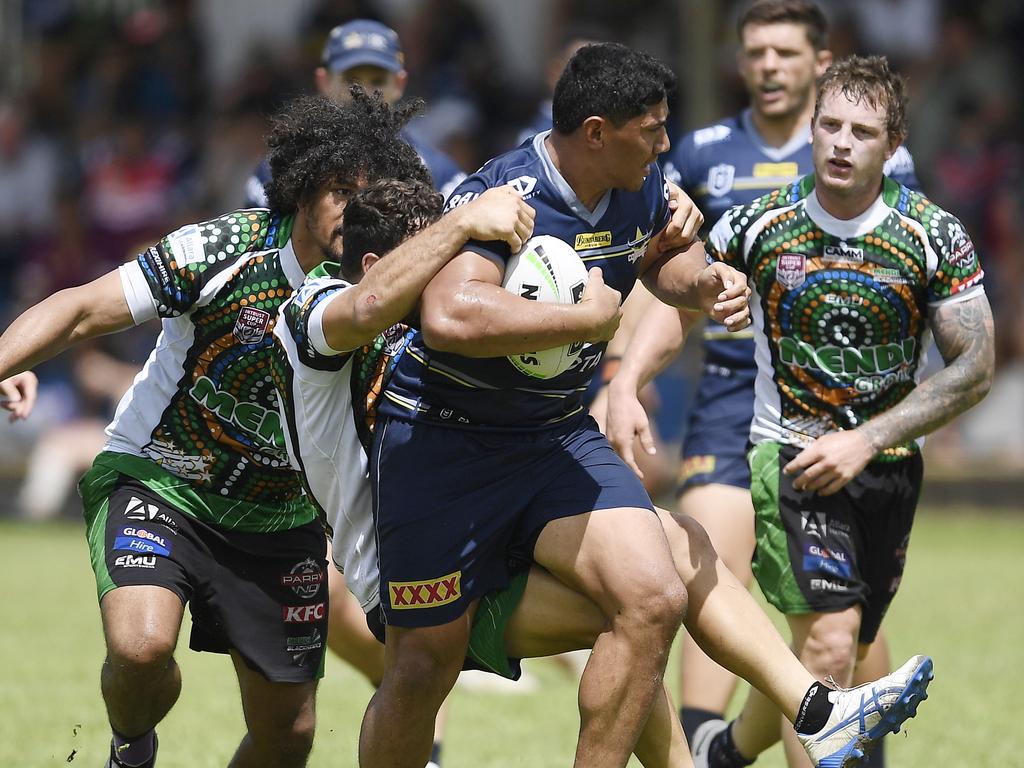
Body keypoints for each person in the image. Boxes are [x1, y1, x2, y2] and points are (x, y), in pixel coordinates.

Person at [280, 176, 935, 768]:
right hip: (404, 563)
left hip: (487, 522)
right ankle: (807, 718)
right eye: (441, 264)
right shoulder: (323, 305)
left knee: (662, 566)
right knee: (626, 605)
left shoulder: (437, 322)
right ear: (376, 266)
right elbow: (370, 310)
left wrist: (653, 217)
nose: (460, 280)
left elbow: (550, 244)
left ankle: (818, 712)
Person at [0, 91, 428, 768]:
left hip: (281, 519)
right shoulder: (224, 248)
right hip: (159, 482)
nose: (353, 209)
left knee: (286, 737)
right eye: (339, 189)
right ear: (301, 188)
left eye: (368, 195)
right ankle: (131, 747)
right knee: (139, 648)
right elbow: (83, 309)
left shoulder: (385, 297)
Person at [609, 54, 992, 768]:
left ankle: (727, 749)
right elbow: (681, 305)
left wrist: (868, 440)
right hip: (789, 457)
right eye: (831, 126)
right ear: (812, 131)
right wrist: (627, 379)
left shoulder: (932, 235)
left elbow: (976, 366)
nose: (843, 143)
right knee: (828, 644)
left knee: (828, 649)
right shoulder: (762, 223)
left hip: (887, 467)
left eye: (863, 131)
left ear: (894, 145)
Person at [244, 19, 466, 208]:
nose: (365, 92)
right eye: (352, 80)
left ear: (399, 84)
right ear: (324, 81)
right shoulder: (277, 173)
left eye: (378, 80)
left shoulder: (442, 176)